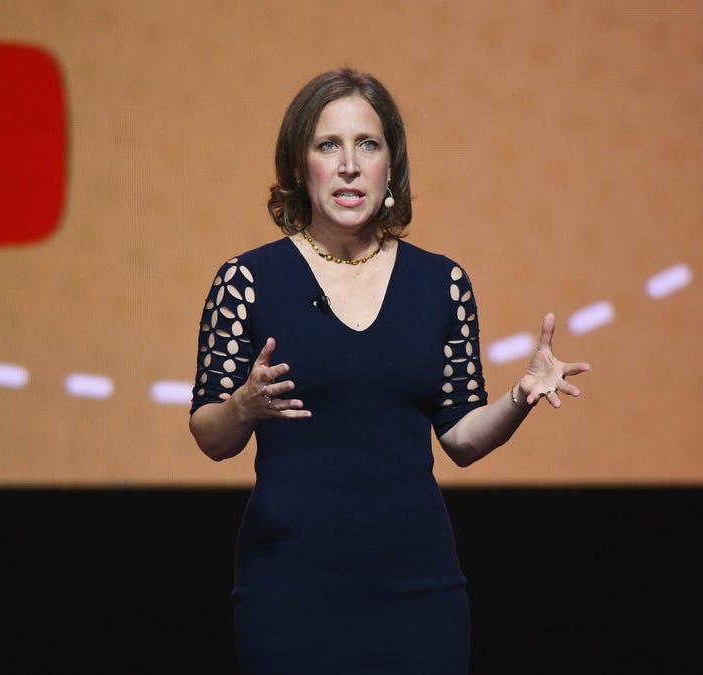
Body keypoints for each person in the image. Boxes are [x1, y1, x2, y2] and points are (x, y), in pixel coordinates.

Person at [189, 67, 591, 674]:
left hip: (417, 589)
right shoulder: (246, 280)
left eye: (367, 145)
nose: (349, 165)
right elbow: (209, 436)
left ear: (390, 167)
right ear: (301, 167)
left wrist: (519, 397)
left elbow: (460, 438)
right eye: (328, 145)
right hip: (289, 590)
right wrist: (242, 407)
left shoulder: (441, 283)